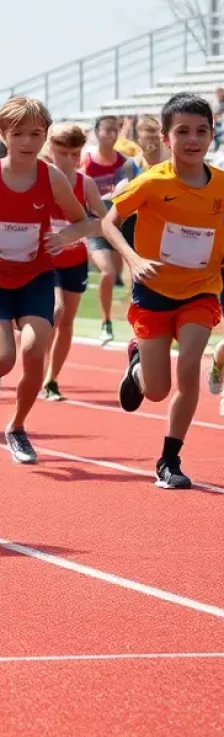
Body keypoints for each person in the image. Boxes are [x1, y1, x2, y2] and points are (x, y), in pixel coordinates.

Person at [0, 98, 89, 464]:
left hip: (34, 276)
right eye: (19, 134)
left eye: (36, 134)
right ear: (3, 135)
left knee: (34, 348)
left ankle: (17, 426)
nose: (28, 141)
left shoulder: (51, 177)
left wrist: (66, 236)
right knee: (3, 360)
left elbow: (85, 220)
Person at [102, 93, 224, 489]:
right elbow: (109, 222)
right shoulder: (152, 182)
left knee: (189, 367)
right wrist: (133, 260)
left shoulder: (221, 184)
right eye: (183, 131)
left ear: (211, 135)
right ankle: (138, 364)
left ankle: (169, 459)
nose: (194, 139)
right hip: (154, 293)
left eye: (202, 131)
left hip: (201, 291)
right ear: (167, 139)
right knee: (157, 391)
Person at [40, 124, 106, 401]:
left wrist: (77, 232)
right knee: (56, 312)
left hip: (74, 259)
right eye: (63, 152)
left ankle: (51, 379)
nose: (69, 159)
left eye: (75, 153)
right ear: (51, 151)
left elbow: (104, 223)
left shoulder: (85, 183)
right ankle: (39, 370)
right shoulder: (40, 179)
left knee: (66, 321)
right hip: (44, 259)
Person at [82, 116, 140, 344]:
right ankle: (105, 321)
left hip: (121, 224)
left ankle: (138, 323)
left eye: (115, 130)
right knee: (107, 272)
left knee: (134, 275)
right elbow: (77, 190)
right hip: (96, 224)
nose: (112, 134)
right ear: (96, 132)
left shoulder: (125, 164)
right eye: (107, 130)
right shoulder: (86, 161)